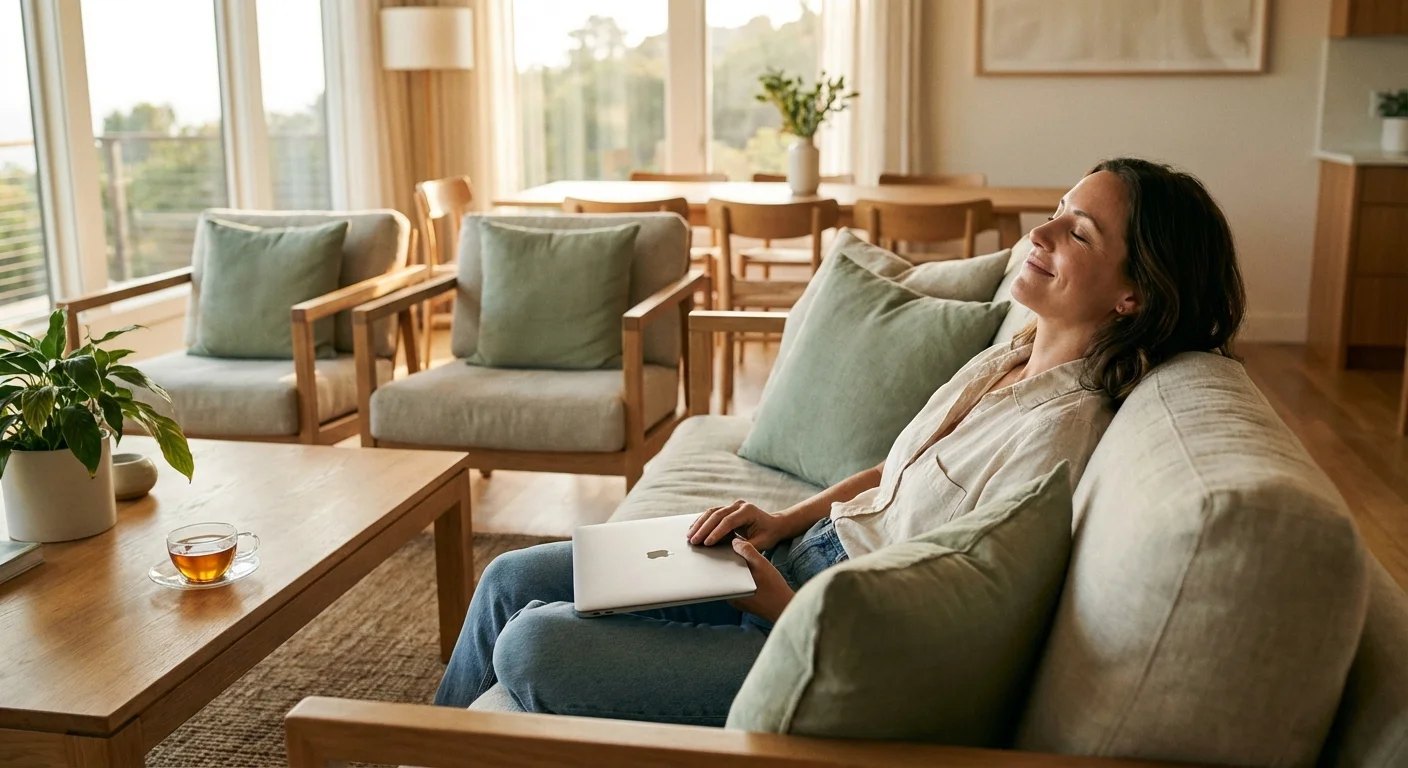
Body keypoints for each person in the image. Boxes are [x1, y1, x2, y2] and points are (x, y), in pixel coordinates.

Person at [432, 157, 1247, 725]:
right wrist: (787, 522)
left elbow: (939, 625)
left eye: (1080, 233)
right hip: (800, 560)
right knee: (510, 579)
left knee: (534, 640)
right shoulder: (1006, 358)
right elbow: (898, 472)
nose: (1044, 231)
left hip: (827, 634)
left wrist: (772, 602)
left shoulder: (1061, 436)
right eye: (1060, 212)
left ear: (1135, 293)